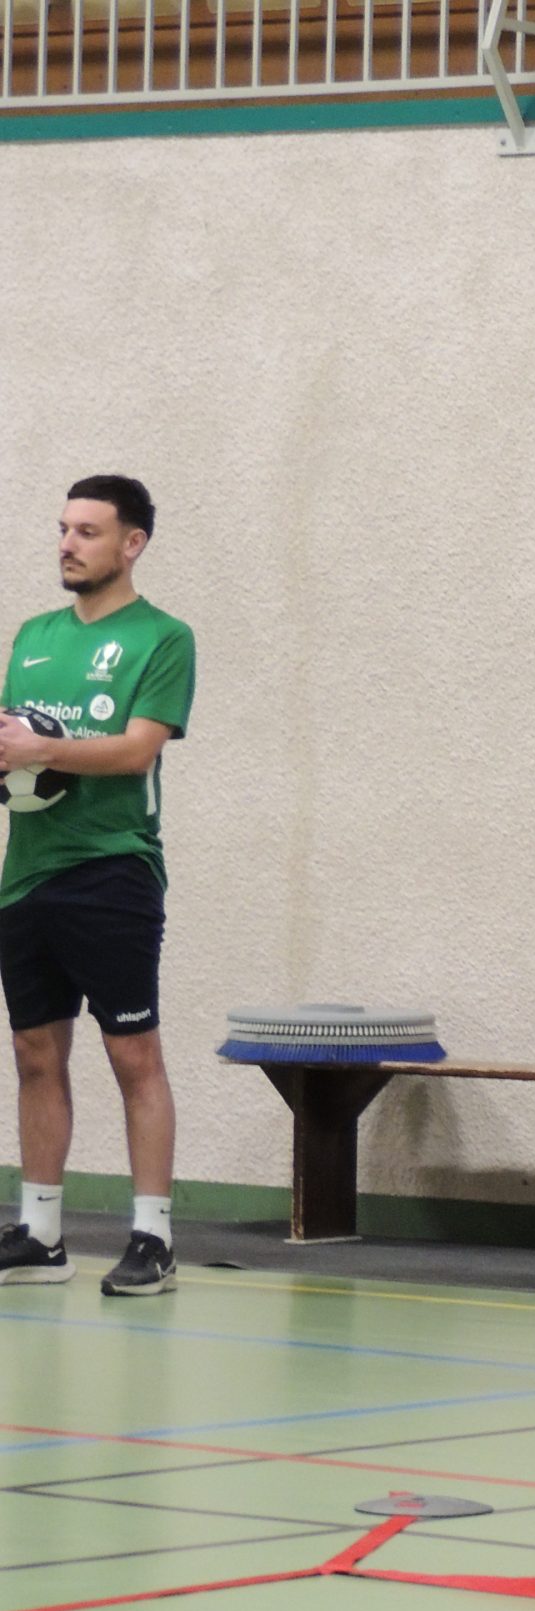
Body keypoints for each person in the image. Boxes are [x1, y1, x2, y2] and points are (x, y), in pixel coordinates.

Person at [0, 477, 196, 1298]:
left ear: (132, 543)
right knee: (34, 1053)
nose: (67, 544)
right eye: (63, 529)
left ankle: (153, 1237)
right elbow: (11, 744)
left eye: (87, 531)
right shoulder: (34, 635)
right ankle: (41, 1235)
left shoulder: (163, 638)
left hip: (114, 868)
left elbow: (135, 750)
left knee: (132, 1052)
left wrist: (43, 751)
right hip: (26, 873)